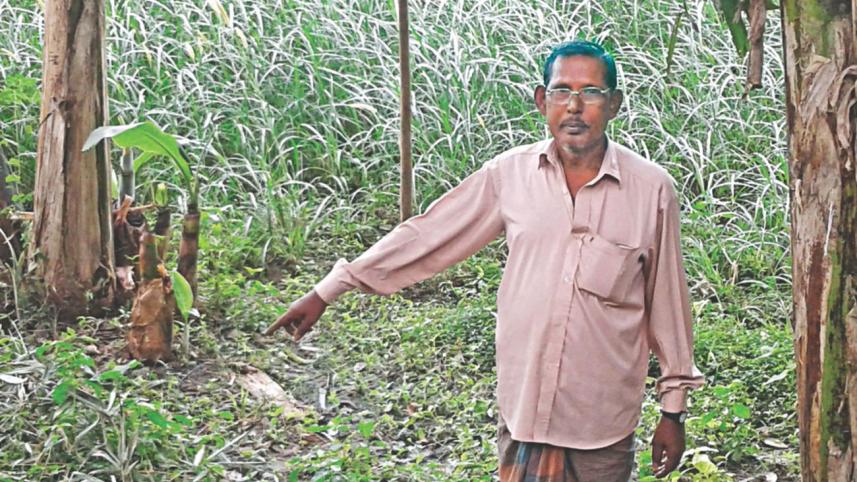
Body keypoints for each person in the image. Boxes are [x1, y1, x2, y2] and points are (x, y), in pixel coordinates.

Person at [266, 40, 704, 482]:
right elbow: (429, 236)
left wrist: (673, 412)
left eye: (591, 92)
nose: (574, 106)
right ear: (541, 100)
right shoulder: (509, 176)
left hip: (600, 421)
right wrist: (331, 287)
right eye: (561, 91)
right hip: (524, 410)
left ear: (614, 104)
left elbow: (668, 304)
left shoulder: (651, 190)